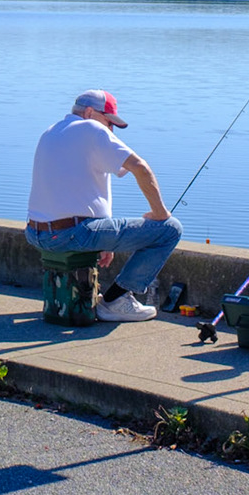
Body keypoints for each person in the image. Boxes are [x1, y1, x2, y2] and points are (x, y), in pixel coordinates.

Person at [25, 89, 182, 323]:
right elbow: (141, 168)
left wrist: (104, 239)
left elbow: (86, 189)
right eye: (109, 122)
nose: (111, 130)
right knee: (170, 229)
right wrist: (160, 213)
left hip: (36, 233)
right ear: (89, 112)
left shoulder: (51, 131)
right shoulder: (92, 129)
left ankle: (94, 300)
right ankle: (116, 300)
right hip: (71, 233)